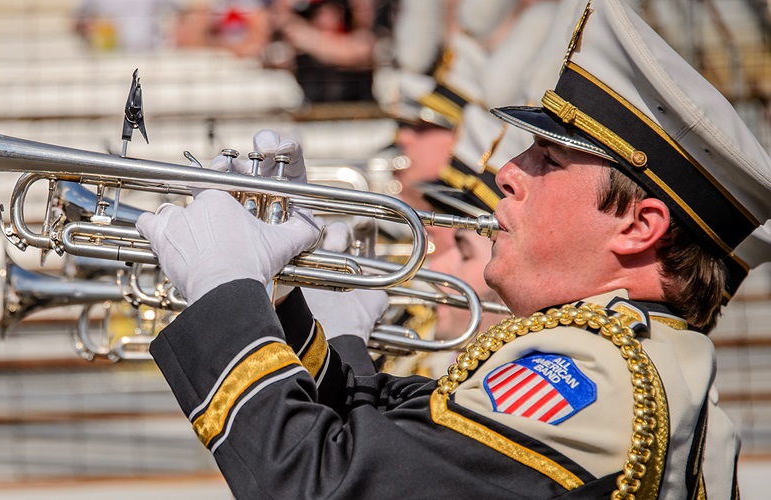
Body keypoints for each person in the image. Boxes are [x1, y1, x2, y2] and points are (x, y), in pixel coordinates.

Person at [135, 0, 771, 497]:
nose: (508, 172)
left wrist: (225, 290)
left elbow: (331, 486)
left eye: (546, 158)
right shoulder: (613, 358)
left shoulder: (596, 377)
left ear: (638, 225)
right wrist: (309, 327)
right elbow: (408, 450)